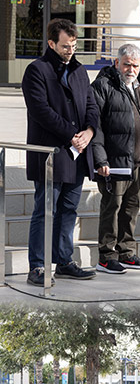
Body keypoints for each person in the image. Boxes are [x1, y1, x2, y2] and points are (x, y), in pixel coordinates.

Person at [21, 18, 99, 285]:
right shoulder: (36, 71)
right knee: (45, 211)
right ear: (51, 43)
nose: (70, 50)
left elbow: (92, 106)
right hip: (51, 154)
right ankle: (38, 267)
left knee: (68, 210)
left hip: (77, 154)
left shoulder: (79, 71)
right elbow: (41, 112)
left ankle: (64, 261)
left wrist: (89, 132)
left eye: (74, 45)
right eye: (66, 46)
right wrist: (71, 135)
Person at [91, 43, 140, 273]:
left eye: (135, 65)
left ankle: (127, 252)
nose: (131, 69)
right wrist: (101, 159)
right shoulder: (103, 86)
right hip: (115, 162)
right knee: (112, 207)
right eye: (126, 64)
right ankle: (106, 256)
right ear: (116, 63)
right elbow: (95, 125)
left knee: (131, 208)